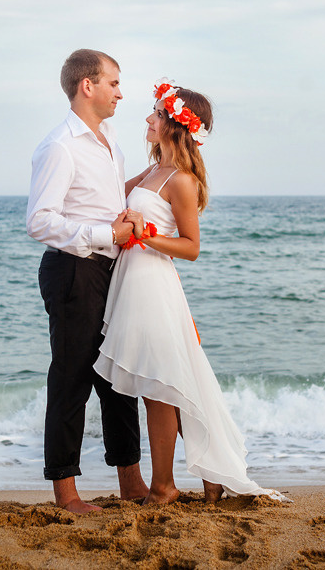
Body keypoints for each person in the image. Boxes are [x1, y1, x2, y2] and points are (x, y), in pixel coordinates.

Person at [94, 79, 288, 505]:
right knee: (158, 383)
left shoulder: (180, 180)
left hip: (151, 283)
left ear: (176, 125)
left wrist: (145, 236)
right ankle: (203, 476)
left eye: (157, 114)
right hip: (135, 283)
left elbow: (191, 247)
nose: (148, 118)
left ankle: (163, 487)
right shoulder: (152, 171)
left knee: (160, 385)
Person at [26, 49, 149, 513]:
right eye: (114, 83)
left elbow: (103, 198)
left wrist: (140, 196)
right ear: (87, 86)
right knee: (72, 379)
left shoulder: (111, 140)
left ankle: (131, 482)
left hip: (112, 269)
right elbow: (40, 221)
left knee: (118, 377)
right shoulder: (59, 146)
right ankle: (66, 492)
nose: (121, 91)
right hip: (74, 269)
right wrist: (106, 232)